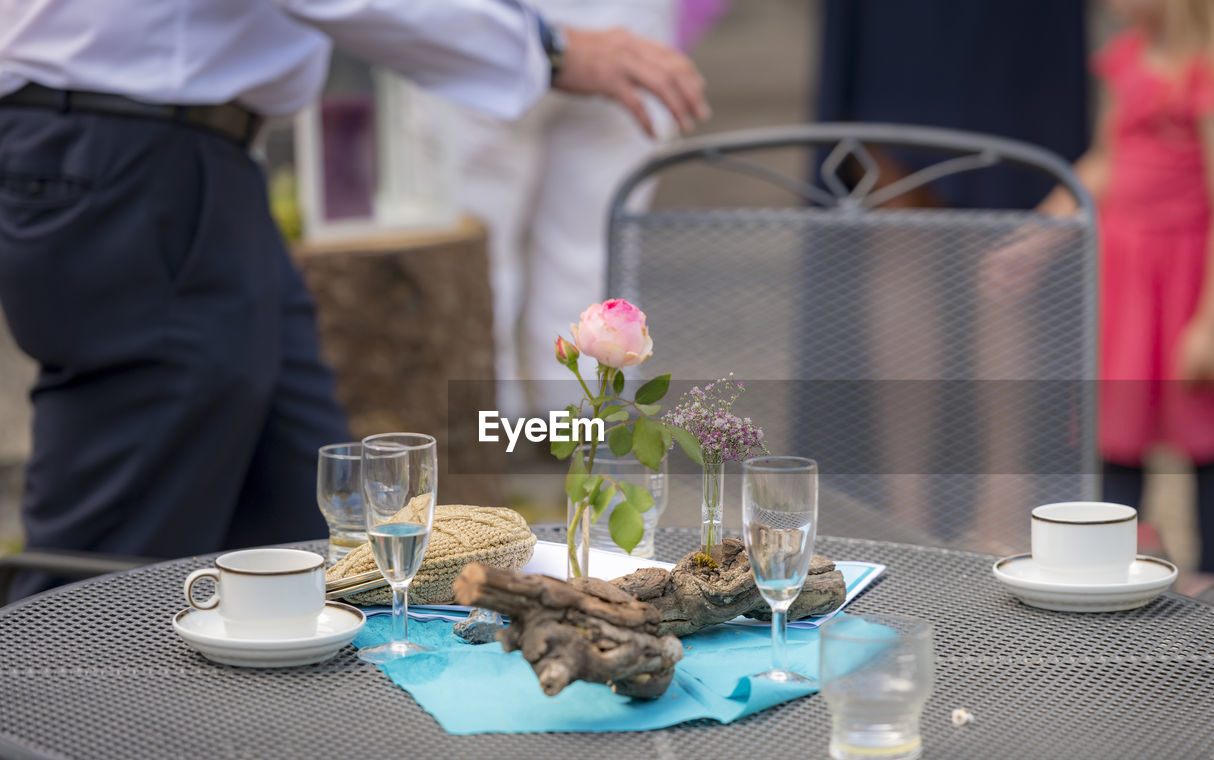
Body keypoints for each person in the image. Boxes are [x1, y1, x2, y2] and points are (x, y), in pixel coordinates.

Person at [0, 0, 708, 601]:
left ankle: (257, 748)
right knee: (106, 566)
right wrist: (544, 47)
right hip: (136, 152)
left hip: (186, 154)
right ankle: (37, 747)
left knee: (308, 541)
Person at [1012, 0, 1214, 594]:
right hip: (1130, 286)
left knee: (1206, 440)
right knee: (1119, 433)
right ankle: (1115, 567)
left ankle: (1212, 581)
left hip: (1190, 284)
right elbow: (1108, 160)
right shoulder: (1127, 61)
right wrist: (1044, 231)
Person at [443, 0, 682, 418]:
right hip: (622, 26)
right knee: (587, 262)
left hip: (477, 30)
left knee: (477, 263)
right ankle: (580, 437)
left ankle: (491, 443)